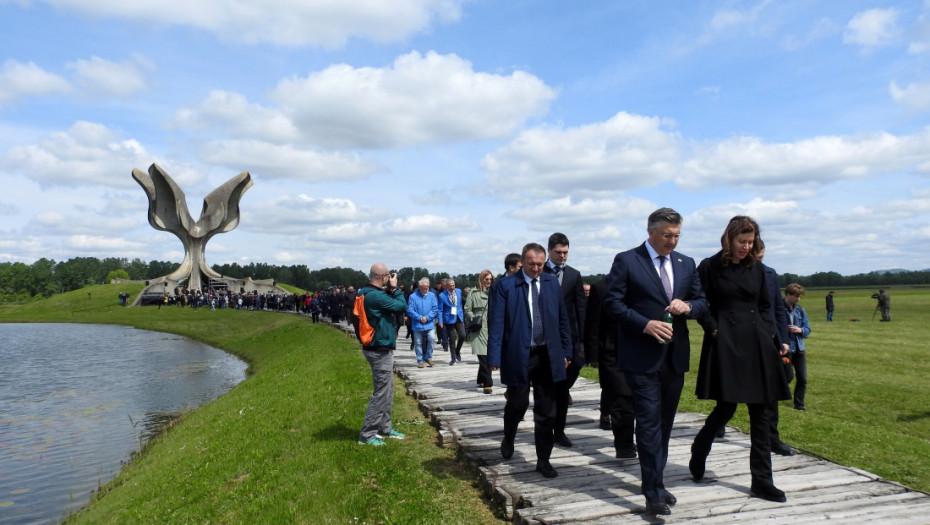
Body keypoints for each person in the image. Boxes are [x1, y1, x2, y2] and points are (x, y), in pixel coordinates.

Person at [604, 207, 707, 516]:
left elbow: (703, 303)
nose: (672, 242)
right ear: (650, 232)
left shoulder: (686, 263)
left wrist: (687, 305)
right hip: (641, 356)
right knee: (648, 424)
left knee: (664, 425)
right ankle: (653, 493)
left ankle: (655, 481)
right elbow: (612, 303)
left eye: (676, 236)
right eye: (666, 235)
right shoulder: (627, 260)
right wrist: (645, 324)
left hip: (674, 358)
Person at [689, 216, 791, 504]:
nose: (746, 247)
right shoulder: (709, 266)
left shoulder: (760, 270)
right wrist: (712, 327)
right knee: (726, 408)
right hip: (726, 340)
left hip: (758, 343)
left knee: (762, 415)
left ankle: (762, 481)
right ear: (729, 239)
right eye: (741, 242)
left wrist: (769, 332)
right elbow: (699, 302)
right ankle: (700, 448)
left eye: (750, 242)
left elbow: (765, 305)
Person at [488, 243, 573, 479]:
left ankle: (543, 459)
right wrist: (495, 356)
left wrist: (566, 350)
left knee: (547, 409)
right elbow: (496, 322)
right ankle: (509, 435)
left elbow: (562, 319)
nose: (536, 269)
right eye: (531, 264)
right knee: (518, 403)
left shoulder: (550, 282)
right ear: (523, 262)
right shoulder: (505, 285)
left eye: (540, 264)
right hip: (519, 353)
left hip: (547, 354)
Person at [356, 264, 408, 446]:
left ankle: (384, 429)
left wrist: (389, 288)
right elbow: (401, 306)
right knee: (381, 393)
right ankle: (367, 435)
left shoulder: (364, 293)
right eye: (388, 276)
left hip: (378, 347)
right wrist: (394, 288)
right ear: (384, 276)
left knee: (388, 390)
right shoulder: (375, 296)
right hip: (379, 348)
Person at [584, 277, 636, 459]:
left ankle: (632, 439)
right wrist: (592, 354)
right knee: (621, 399)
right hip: (611, 350)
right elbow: (592, 322)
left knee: (636, 399)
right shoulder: (601, 287)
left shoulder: (640, 284)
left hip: (638, 351)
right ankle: (624, 446)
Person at [544, 232, 586, 448]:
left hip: (568, 337)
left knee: (570, 374)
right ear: (549, 251)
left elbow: (580, 308)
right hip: (543, 338)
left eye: (566, 253)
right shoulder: (537, 272)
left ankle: (559, 431)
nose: (562, 256)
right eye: (559, 252)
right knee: (548, 387)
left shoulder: (573, 275)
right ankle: (547, 429)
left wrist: (582, 340)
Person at [758, 241, 795, 457]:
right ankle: (717, 427)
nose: (759, 261)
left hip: (771, 342)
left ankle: (773, 439)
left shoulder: (770, 274)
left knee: (771, 395)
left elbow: (779, 310)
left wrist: (785, 340)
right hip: (746, 342)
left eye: (762, 257)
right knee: (728, 400)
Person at [465, 270, 495, 393]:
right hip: (479, 327)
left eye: (490, 279)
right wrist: (473, 318)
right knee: (484, 355)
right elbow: (467, 308)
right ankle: (488, 383)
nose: (488, 281)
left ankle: (481, 379)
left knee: (488, 354)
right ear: (481, 279)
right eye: (486, 279)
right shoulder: (474, 292)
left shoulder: (495, 292)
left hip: (492, 326)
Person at [785, 283, 811, 411]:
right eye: (796, 296)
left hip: (800, 349)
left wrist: (800, 330)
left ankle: (799, 405)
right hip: (786, 349)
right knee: (788, 377)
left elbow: (807, 329)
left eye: (800, 297)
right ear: (788, 294)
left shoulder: (800, 310)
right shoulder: (779, 309)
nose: (798, 299)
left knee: (803, 379)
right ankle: (774, 397)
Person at [407, 277, 439, 368]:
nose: (425, 290)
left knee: (432, 339)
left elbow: (435, 308)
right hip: (417, 324)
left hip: (429, 323)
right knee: (418, 342)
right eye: (423, 288)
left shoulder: (432, 295)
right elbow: (410, 310)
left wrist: (428, 317)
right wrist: (420, 318)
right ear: (419, 287)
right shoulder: (413, 296)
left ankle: (428, 357)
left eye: (427, 288)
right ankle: (420, 360)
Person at [438, 279, 466, 365]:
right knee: (452, 338)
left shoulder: (459, 291)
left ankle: (457, 351)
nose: (452, 287)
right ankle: (453, 357)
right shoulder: (442, 295)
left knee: (462, 335)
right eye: (450, 286)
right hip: (449, 319)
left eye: (453, 285)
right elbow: (440, 310)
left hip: (458, 316)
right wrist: (440, 321)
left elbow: (460, 304)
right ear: (446, 286)